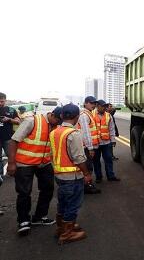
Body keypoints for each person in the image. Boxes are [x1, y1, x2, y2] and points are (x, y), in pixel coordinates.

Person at [7, 106, 62, 235]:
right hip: (25, 163)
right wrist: (11, 163)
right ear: (52, 115)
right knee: (24, 192)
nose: (59, 124)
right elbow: (13, 141)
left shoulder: (57, 125)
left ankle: (39, 217)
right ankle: (23, 221)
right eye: (58, 120)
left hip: (44, 163)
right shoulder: (32, 121)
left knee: (48, 188)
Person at [50, 103, 92, 244]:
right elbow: (79, 158)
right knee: (73, 204)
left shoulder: (54, 132)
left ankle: (61, 228)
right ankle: (67, 234)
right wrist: (86, 174)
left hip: (59, 175)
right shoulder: (73, 134)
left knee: (62, 202)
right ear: (77, 117)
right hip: (72, 177)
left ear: (61, 116)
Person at [77, 96, 101, 194]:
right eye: (91, 103)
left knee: (88, 166)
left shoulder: (88, 114)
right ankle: (87, 186)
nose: (94, 105)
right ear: (86, 103)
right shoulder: (84, 115)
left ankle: (86, 185)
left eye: (95, 103)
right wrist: (90, 148)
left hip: (86, 146)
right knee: (87, 167)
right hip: (86, 147)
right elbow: (86, 133)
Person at [92, 100, 120, 182]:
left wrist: (113, 140)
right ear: (97, 106)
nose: (104, 108)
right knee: (96, 161)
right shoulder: (91, 115)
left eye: (105, 106)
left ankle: (111, 176)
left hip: (106, 142)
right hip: (96, 143)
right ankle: (98, 177)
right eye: (103, 106)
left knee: (108, 160)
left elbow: (111, 129)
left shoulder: (108, 116)